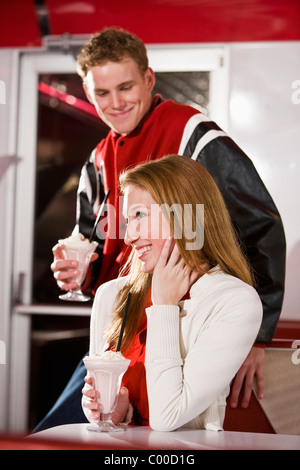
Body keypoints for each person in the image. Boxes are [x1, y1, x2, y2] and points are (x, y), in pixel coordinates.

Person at [35, 27, 285, 431]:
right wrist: (82, 278)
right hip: (126, 314)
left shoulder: (194, 137)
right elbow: (98, 253)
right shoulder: (97, 162)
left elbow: (261, 225)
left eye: (126, 87)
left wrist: (260, 334)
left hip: (178, 310)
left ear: (149, 80)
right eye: (102, 93)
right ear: (87, 91)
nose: (115, 103)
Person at [82, 155, 263, 431]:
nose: (128, 236)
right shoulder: (112, 296)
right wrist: (117, 411)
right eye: (127, 220)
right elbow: (115, 412)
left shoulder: (235, 302)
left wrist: (165, 304)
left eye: (139, 215)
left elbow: (167, 418)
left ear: (186, 217)